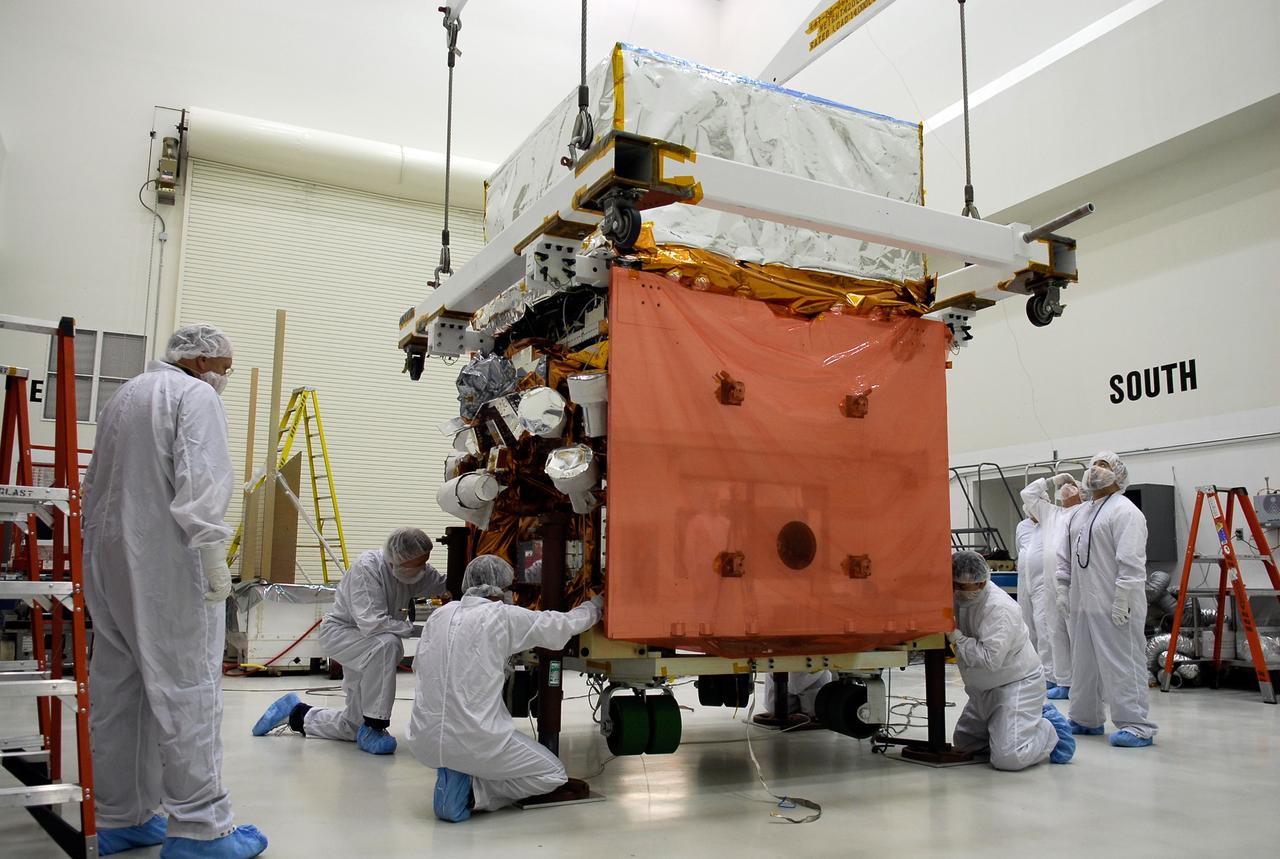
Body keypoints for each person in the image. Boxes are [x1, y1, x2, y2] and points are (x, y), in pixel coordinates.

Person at [82, 324, 267, 858]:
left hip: (110, 560)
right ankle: (201, 829)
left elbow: (95, 483)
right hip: (167, 562)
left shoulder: (125, 396)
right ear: (201, 361)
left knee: (120, 692)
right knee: (189, 686)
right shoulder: (193, 397)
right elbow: (203, 479)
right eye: (224, 369)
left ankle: (121, 817)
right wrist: (214, 557)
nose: (225, 379)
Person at [405, 555, 603, 822]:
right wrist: (597, 605)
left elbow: (421, 666)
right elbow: (561, 625)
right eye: (509, 588)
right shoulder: (501, 616)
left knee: (463, 737)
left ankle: (458, 771)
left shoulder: (440, 615)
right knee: (552, 774)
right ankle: (474, 793)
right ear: (499, 590)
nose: (511, 594)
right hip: (476, 741)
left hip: (423, 739)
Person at [251, 527, 445, 754]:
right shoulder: (368, 568)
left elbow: (443, 584)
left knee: (352, 725)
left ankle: (295, 713)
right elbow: (373, 623)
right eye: (418, 565)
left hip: (368, 643)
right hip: (344, 635)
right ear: (398, 559)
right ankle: (375, 726)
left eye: (425, 563)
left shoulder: (411, 571)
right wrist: (421, 630)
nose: (422, 570)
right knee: (388, 644)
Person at [1055, 450, 1157, 747]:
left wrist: (1123, 596)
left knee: (1122, 662)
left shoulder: (1126, 512)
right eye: (1093, 464)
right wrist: (1063, 589)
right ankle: (1085, 718)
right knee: (1083, 664)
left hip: (1116, 604)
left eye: (1104, 465)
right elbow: (1066, 557)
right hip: (1083, 604)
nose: (1095, 470)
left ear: (1119, 475)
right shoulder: (1080, 513)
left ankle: (1137, 725)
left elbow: (1131, 560)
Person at [948, 550, 1075, 771]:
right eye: (953, 585)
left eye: (962, 586)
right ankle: (1012, 727)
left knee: (1009, 758)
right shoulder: (964, 600)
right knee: (965, 743)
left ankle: (1048, 728)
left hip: (1015, 684)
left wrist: (955, 638)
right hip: (983, 688)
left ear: (980, 583)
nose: (956, 591)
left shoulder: (999, 609)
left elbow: (990, 659)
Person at [1019, 473, 1085, 700]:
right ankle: (1064, 681)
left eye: (1072, 485)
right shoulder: (1052, 514)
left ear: (1082, 492)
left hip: (1075, 583)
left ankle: (1084, 682)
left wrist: (1078, 488)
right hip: (1049, 583)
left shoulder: (1084, 512)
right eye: (1064, 486)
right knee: (1054, 632)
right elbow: (1027, 494)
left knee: (1075, 634)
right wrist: (1051, 480)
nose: (1067, 487)